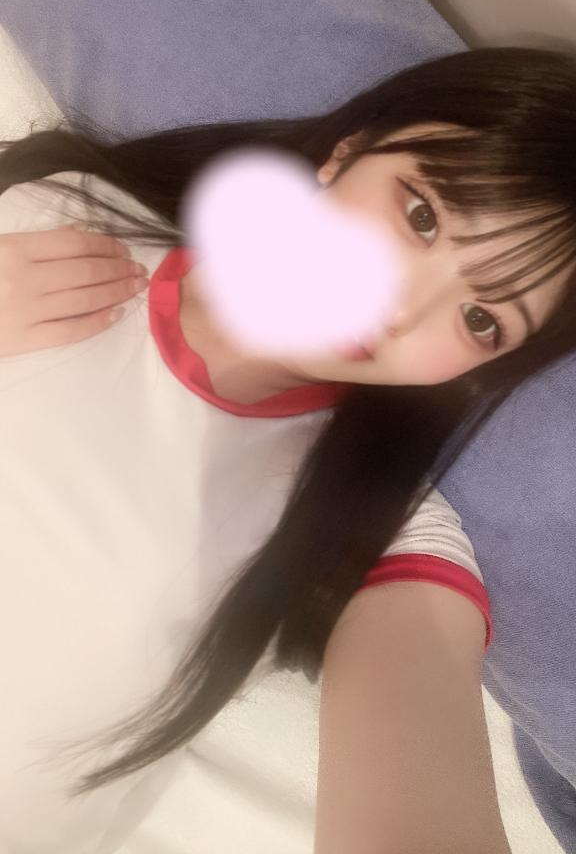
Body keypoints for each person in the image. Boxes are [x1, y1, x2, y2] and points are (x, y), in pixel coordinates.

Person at [1, 45, 575, 854]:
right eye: (421, 215)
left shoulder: (365, 526)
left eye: (482, 319)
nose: (398, 307)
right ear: (347, 153)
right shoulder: (58, 214)